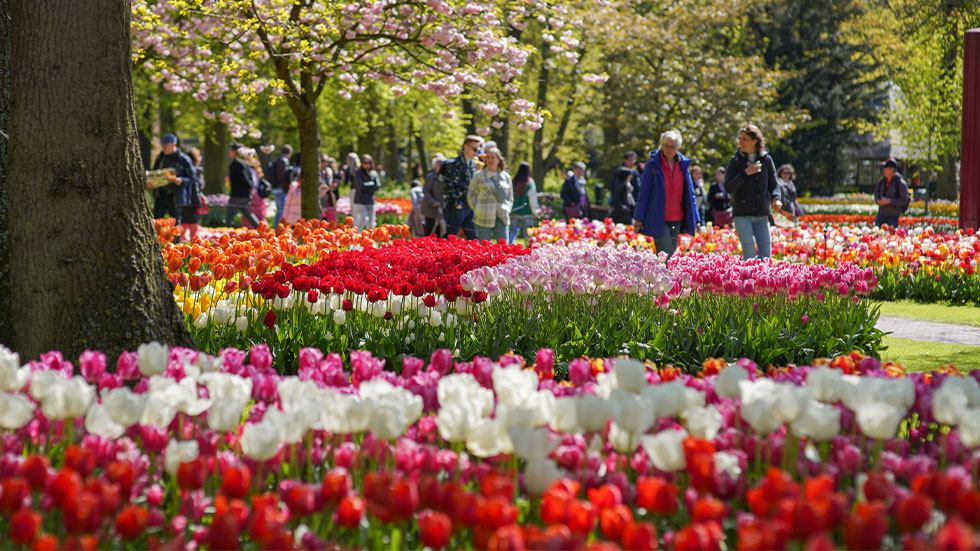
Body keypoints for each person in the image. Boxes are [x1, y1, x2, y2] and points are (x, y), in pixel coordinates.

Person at [632, 130, 699, 258]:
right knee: (666, 253)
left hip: (678, 216)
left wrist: (696, 219)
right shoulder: (652, 165)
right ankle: (664, 277)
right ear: (661, 146)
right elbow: (644, 193)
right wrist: (638, 218)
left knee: (671, 253)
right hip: (659, 217)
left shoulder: (683, 165)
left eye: (672, 146)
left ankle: (662, 276)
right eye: (666, 145)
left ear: (678, 147)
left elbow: (690, 194)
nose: (669, 149)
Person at [724, 124, 781, 260]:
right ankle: (749, 281)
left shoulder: (766, 160)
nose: (741, 142)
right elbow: (728, 187)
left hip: (762, 214)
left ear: (755, 140)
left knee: (766, 257)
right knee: (749, 256)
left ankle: (761, 282)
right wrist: (745, 173)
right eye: (740, 138)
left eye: (744, 139)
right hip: (742, 215)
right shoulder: (735, 161)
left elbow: (774, 184)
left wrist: (776, 198)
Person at [439, 135, 483, 239]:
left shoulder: (473, 164)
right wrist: (457, 204)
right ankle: (437, 254)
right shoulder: (452, 164)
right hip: (456, 207)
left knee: (473, 237)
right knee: (450, 236)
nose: (477, 152)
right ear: (465, 147)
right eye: (474, 149)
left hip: (469, 206)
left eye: (478, 149)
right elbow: (447, 186)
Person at [150, 133, 196, 227]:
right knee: (157, 221)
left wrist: (181, 180)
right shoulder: (160, 159)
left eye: (166, 145)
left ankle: (176, 242)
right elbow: (154, 173)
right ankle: (157, 241)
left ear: (173, 145)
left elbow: (193, 178)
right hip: (160, 194)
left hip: (175, 195)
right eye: (163, 145)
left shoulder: (183, 159)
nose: (164, 147)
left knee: (175, 222)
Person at [469, 147, 513, 241]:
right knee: (484, 248)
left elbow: (510, 196)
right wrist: (476, 208)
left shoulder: (506, 177)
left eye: (493, 157)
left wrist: (507, 208)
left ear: (499, 159)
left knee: (504, 247)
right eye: (488, 157)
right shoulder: (479, 175)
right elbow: (471, 194)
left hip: (502, 215)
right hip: (483, 216)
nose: (490, 160)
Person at [225, 143, 261, 228]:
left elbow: (245, 178)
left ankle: (225, 234)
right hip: (245, 194)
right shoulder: (245, 163)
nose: (229, 152)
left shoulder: (236, 164)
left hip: (237, 194)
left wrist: (250, 186)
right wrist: (251, 187)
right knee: (248, 213)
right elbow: (249, 178)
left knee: (229, 216)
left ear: (234, 151)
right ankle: (261, 229)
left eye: (230, 150)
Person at [508, 162, 540, 243]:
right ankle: (527, 250)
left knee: (513, 231)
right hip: (527, 212)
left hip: (515, 211)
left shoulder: (514, 181)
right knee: (528, 234)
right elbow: (532, 200)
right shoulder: (530, 183)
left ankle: (508, 247)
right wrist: (535, 212)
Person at [874, 158, 910, 227]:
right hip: (880, 215)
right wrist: (877, 199)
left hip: (893, 217)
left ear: (892, 169)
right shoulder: (882, 181)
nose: (884, 170)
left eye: (886, 168)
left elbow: (904, 200)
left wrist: (889, 201)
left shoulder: (900, 183)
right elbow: (876, 193)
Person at [181, 147, 205, 241]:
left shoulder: (182, 171)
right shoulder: (195, 172)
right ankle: (193, 250)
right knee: (193, 229)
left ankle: (180, 250)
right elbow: (195, 189)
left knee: (182, 229)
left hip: (183, 202)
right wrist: (199, 203)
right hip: (192, 204)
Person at [352, 154, 381, 229]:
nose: (367, 165)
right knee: (364, 218)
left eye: (369, 163)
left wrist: (366, 186)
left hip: (370, 200)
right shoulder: (358, 172)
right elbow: (359, 186)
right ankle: (358, 234)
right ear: (361, 163)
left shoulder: (374, 173)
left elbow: (377, 186)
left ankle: (370, 238)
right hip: (360, 200)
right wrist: (371, 184)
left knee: (371, 221)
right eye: (365, 162)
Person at [268, 144, 293, 228]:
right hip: (281, 188)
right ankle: (278, 229)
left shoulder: (276, 160)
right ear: (288, 153)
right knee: (281, 210)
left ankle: (277, 228)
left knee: (279, 209)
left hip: (275, 187)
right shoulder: (284, 161)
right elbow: (282, 176)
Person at [422, 153, 446, 237]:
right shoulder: (430, 176)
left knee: (440, 232)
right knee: (429, 231)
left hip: (441, 208)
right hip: (430, 209)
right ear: (437, 166)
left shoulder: (444, 177)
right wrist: (433, 202)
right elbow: (426, 191)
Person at [320, 154, 338, 223]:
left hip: (329, 196)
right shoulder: (316, 172)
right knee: (322, 219)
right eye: (322, 161)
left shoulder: (329, 171)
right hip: (321, 197)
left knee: (332, 219)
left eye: (326, 161)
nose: (324, 163)